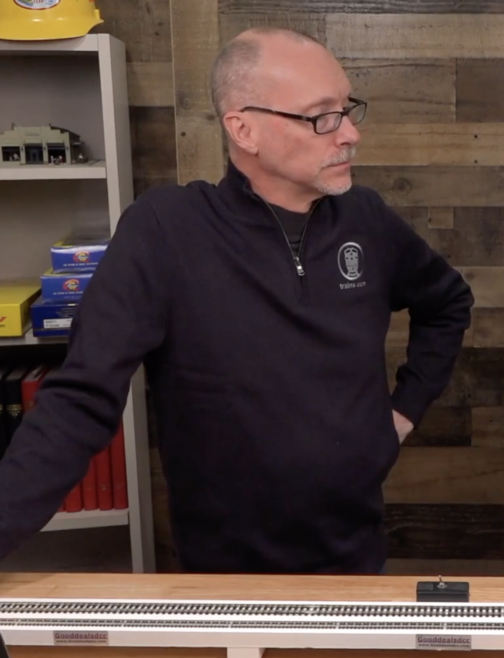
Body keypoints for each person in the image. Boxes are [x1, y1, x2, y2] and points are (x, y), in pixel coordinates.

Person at [0, 27, 474, 574]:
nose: (349, 134)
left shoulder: (367, 220)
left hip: (355, 561)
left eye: (348, 109)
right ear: (243, 128)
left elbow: (447, 304)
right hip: (223, 574)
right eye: (321, 116)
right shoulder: (166, 231)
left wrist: (401, 414)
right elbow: (81, 399)